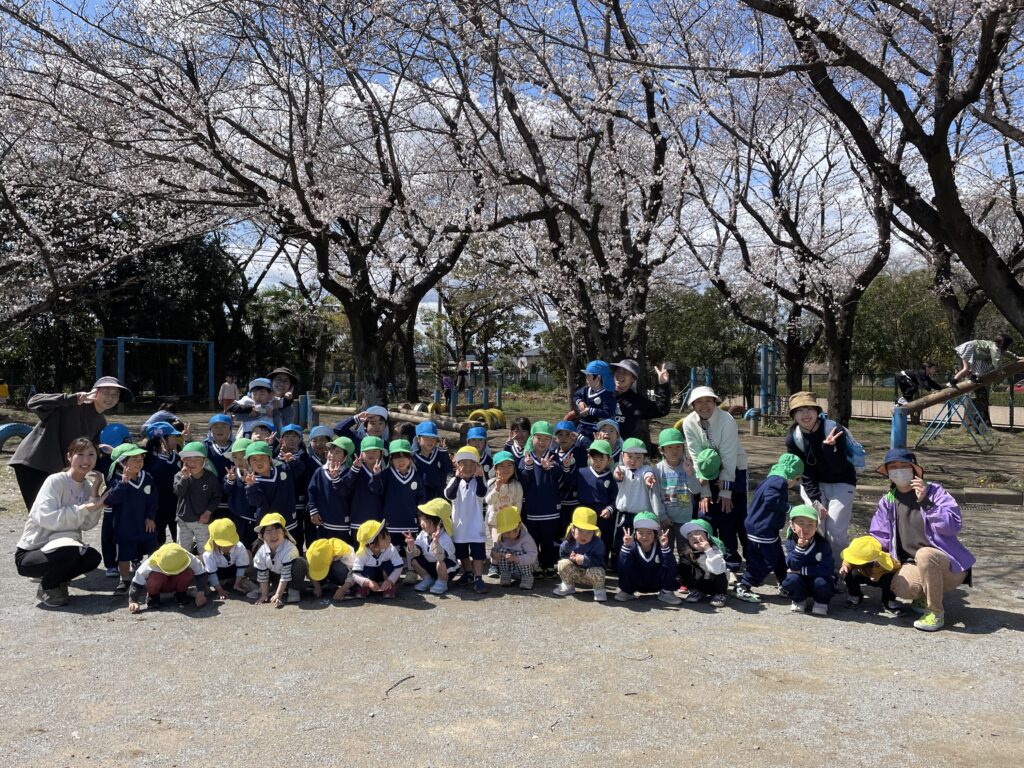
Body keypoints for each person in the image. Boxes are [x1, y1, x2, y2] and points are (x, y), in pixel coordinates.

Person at [868, 448, 975, 632]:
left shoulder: (935, 492)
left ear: (914, 469)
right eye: (893, 467)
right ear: (887, 472)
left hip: (947, 566)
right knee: (901, 587)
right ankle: (924, 596)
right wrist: (864, 557)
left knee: (925, 554)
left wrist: (926, 502)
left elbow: (952, 526)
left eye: (903, 465)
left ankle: (936, 613)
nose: (898, 470)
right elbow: (880, 536)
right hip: (913, 562)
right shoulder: (888, 500)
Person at [10, 376, 131, 511]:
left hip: (57, 470)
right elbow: (33, 402)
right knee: (40, 513)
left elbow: (88, 448)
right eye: (106, 392)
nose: (110, 397)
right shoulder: (72, 403)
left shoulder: (101, 422)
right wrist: (71, 398)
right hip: (34, 462)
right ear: (95, 391)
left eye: (115, 394)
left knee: (52, 513)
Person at [14, 437, 107, 607]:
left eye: (91, 454)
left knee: (92, 557)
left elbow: (87, 524)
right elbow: (47, 517)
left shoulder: (86, 486)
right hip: (32, 553)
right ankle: (47, 587)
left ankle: (58, 580)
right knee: (69, 552)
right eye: (80, 454)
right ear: (69, 457)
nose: (86, 460)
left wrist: (95, 493)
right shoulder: (55, 481)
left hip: (64, 548)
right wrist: (85, 507)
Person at [784, 391, 857, 566]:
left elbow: (839, 467)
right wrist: (815, 500)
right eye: (799, 410)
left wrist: (828, 449)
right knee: (816, 526)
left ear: (817, 411)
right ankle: (817, 565)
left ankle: (838, 569)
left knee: (835, 530)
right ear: (794, 415)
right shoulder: (793, 438)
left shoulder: (834, 430)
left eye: (809, 408)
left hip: (841, 481)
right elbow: (804, 472)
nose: (805, 414)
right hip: (813, 483)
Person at [682, 386, 749, 568]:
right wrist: (704, 491)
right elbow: (696, 456)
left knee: (735, 516)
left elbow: (729, 456)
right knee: (708, 514)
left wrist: (726, 491)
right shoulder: (688, 422)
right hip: (706, 469)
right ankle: (710, 557)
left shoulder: (727, 420)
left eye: (708, 401)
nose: (704, 406)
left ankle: (742, 559)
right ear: (693, 405)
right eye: (699, 402)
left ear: (715, 402)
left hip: (734, 468)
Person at [734, 454, 804, 603]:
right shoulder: (780, 482)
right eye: (797, 479)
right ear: (792, 475)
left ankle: (785, 583)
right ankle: (744, 585)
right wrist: (789, 509)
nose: (796, 482)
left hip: (761, 526)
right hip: (763, 528)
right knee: (766, 560)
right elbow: (771, 499)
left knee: (777, 555)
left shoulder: (770, 479)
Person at [106, 442, 158, 596]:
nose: (139, 462)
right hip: (125, 524)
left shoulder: (147, 477)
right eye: (134, 459)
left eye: (141, 459)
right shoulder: (116, 480)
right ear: (122, 462)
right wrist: (123, 483)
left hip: (145, 523)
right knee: (124, 553)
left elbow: (154, 499)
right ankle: (125, 579)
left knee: (151, 549)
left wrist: (150, 517)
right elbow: (111, 500)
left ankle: (152, 576)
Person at [518, 421, 568, 576]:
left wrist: (549, 467)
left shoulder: (554, 457)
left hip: (551, 508)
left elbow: (560, 475)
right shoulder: (526, 458)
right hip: (532, 509)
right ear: (532, 438)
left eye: (546, 439)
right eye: (538, 438)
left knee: (548, 538)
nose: (542, 442)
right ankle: (535, 564)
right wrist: (528, 467)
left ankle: (549, 564)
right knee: (533, 539)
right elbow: (523, 482)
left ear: (551, 440)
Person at [445, 446, 489, 594]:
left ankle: (478, 578)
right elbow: (450, 495)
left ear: (478, 466)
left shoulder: (479, 481)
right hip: (459, 526)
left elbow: (482, 494)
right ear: (457, 465)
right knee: (462, 552)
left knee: (478, 554)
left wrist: (479, 477)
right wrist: (458, 478)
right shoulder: (454, 480)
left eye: (472, 464)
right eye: (464, 464)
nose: (468, 467)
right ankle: (468, 573)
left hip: (475, 525)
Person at [651, 428, 700, 562]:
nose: (674, 451)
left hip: (684, 518)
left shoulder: (688, 465)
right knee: (665, 548)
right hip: (665, 518)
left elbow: (696, 490)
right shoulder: (657, 469)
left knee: (685, 551)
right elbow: (655, 496)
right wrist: (662, 516)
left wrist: (689, 473)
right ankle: (668, 571)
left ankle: (685, 571)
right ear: (661, 450)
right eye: (669, 447)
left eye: (678, 446)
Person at [612, 438, 664, 563]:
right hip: (624, 514)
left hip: (642, 515)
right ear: (622, 456)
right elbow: (617, 475)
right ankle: (616, 563)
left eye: (638, 457)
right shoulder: (621, 469)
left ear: (643, 457)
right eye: (629, 456)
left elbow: (648, 475)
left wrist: (648, 480)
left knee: (640, 540)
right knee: (620, 538)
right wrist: (618, 476)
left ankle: (639, 563)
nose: (633, 460)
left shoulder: (646, 469)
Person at [614, 512, 680, 605]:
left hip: (657, 583)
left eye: (649, 533)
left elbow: (671, 566)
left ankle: (666, 593)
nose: (644, 536)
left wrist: (665, 547)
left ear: (655, 533)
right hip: (637, 583)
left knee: (670, 564)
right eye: (640, 533)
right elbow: (621, 565)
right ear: (635, 533)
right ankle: (627, 591)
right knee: (624, 564)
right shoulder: (631, 546)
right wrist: (625, 546)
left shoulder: (661, 546)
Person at [782, 505, 836, 616]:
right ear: (792, 525)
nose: (806, 528)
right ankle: (799, 599)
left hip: (818, 579)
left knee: (822, 582)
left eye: (810, 524)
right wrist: (799, 548)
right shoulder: (790, 543)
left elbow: (827, 569)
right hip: (800, 581)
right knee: (792, 579)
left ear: (816, 527)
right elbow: (792, 565)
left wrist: (801, 571)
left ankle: (821, 602)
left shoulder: (823, 544)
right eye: (801, 523)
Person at [127, 542, 210, 612]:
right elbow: (137, 581)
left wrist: (200, 593)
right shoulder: (151, 562)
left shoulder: (186, 556)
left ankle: (181, 594)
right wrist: (133, 601)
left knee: (188, 572)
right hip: (161, 585)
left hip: (178, 582)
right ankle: (153, 597)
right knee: (155, 577)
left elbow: (201, 573)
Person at [248, 512, 308, 606]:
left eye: (277, 531)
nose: (273, 535)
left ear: (284, 533)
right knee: (256, 564)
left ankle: (293, 589)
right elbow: (263, 574)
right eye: (268, 531)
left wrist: (278, 595)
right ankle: (268, 589)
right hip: (275, 576)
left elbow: (285, 574)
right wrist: (264, 595)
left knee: (300, 563)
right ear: (262, 536)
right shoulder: (261, 551)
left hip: (290, 576)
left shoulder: (289, 548)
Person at [173, 441, 221, 555]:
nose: (192, 463)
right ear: (183, 461)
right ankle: (186, 566)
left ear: (205, 460)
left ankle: (204, 566)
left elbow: (217, 497)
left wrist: (208, 512)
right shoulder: (179, 476)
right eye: (188, 459)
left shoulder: (211, 478)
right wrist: (184, 478)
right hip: (183, 520)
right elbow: (179, 492)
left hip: (202, 520)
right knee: (183, 550)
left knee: (205, 550)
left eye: (197, 459)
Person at [306, 436, 355, 543]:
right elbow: (311, 491)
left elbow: (346, 494)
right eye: (331, 451)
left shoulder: (349, 474)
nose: (332, 455)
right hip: (323, 523)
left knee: (342, 551)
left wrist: (336, 478)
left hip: (342, 524)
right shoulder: (319, 471)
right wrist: (313, 511)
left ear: (346, 456)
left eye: (337, 452)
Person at [552, 507, 608, 602]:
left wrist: (584, 559)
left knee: (598, 570)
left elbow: (600, 561)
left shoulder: (598, 543)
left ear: (594, 532)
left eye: (589, 532)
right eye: (580, 531)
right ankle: (568, 585)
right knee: (562, 563)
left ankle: (599, 590)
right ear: (573, 529)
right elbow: (563, 555)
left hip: (591, 575)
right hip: (576, 574)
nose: (584, 536)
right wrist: (570, 559)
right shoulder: (567, 543)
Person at [405, 498, 459, 595]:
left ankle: (442, 582)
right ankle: (428, 579)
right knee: (414, 561)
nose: (422, 523)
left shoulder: (445, 538)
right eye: (421, 518)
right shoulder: (423, 534)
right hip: (431, 566)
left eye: (426, 520)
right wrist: (412, 546)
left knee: (440, 563)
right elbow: (418, 552)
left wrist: (436, 543)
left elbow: (441, 557)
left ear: (439, 523)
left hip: (447, 568)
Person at [610, 359, 672, 442]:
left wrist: (663, 385)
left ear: (633, 378)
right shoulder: (605, 394)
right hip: (600, 446)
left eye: (625, 372)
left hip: (624, 447)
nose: (620, 375)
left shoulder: (638, 401)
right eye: (618, 371)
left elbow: (662, 410)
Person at [143, 420, 183, 545]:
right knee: (157, 542)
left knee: (181, 540)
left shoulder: (178, 458)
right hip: (156, 510)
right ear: (162, 440)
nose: (176, 440)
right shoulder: (148, 461)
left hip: (176, 508)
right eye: (173, 437)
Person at [839, 535, 901, 612]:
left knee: (891, 579)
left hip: (880, 578)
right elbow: (849, 559)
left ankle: (888, 601)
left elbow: (895, 569)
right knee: (850, 574)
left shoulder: (885, 560)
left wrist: (878, 575)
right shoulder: (856, 554)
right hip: (862, 574)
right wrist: (845, 566)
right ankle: (855, 595)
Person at [485, 451, 523, 577]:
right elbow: (488, 501)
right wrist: (497, 488)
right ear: (495, 469)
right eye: (501, 466)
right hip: (495, 520)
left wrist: (516, 521)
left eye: (509, 465)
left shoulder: (516, 485)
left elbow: (518, 504)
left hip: (511, 521)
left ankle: (508, 567)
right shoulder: (491, 483)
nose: (506, 469)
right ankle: (493, 565)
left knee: (510, 543)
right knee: (497, 542)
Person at [678, 519, 729, 608]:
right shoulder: (687, 553)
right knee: (684, 566)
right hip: (701, 584)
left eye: (697, 533)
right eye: (690, 535)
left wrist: (708, 550)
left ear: (708, 536)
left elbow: (717, 570)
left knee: (718, 571)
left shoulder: (716, 550)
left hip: (716, 583)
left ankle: (720, 594)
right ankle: (695, 591)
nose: (693, 537)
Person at [351, 519, 404, 599]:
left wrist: (390, 580)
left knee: (388, 564)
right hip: (370, 578)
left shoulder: (390, 548)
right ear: (372, 545)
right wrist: (367, 582)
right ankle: (365, 587)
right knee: (363, 570)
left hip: (385, 577)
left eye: (388, 534)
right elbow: (355, 574)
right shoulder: (362, 554)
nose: (388, 538)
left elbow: (399, 567)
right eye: (384, 538)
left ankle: (389, 586)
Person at [489, 506, 538, 589]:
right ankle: (505, 575)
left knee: (519, 553)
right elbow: (494, 550)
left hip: (527, 568)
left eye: (508, 532)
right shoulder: (502, 537)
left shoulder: (526, 538)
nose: (506, 535)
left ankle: (527, 578)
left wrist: (516, 558)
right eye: (504, 532)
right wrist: (495, 555)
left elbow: (532, 556)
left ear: (518, 527)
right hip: (511, 569)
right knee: (503, 551)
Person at [202, 518, 251, 599]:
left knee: (248, 553)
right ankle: (220, 584)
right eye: (223, 544)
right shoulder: (209, 554)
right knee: (201, 561)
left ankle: (237, 581)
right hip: (218, 574)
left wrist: (237, 583)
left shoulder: (239, 546)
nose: (227, 546)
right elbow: (212, 574)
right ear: (214, 541)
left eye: (230, 543)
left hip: (233, 570)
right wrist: (220, 590)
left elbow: (241, 566)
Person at [572, 360, 617, 439]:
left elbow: (607, 412)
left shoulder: (608, 395)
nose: (586, 378)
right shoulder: (586, 389)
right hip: (582, 427)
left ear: (598, 378)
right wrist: (580, 402)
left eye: (588, 376)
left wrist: (590, 411)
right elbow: (576, 396)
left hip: (596, 431)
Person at [306, 537, 356, 601]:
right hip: (330, 570)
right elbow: (311, 567)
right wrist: (316, 586)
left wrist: (343, 589)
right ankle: (323, 583)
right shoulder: (313, 551)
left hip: (343, 574)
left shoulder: (346, 551)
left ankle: (347, 587)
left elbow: (355, 572)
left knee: (338, 567)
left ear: (333, 557)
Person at [412, 421, 452, 500]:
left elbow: (448, 469)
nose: (430, 441)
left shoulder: (440, 453)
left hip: (439, 496)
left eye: (433, 438)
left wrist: (444, 453)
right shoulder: (413, 458)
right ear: (418, 439)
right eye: (426, 437)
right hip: (421, 497)